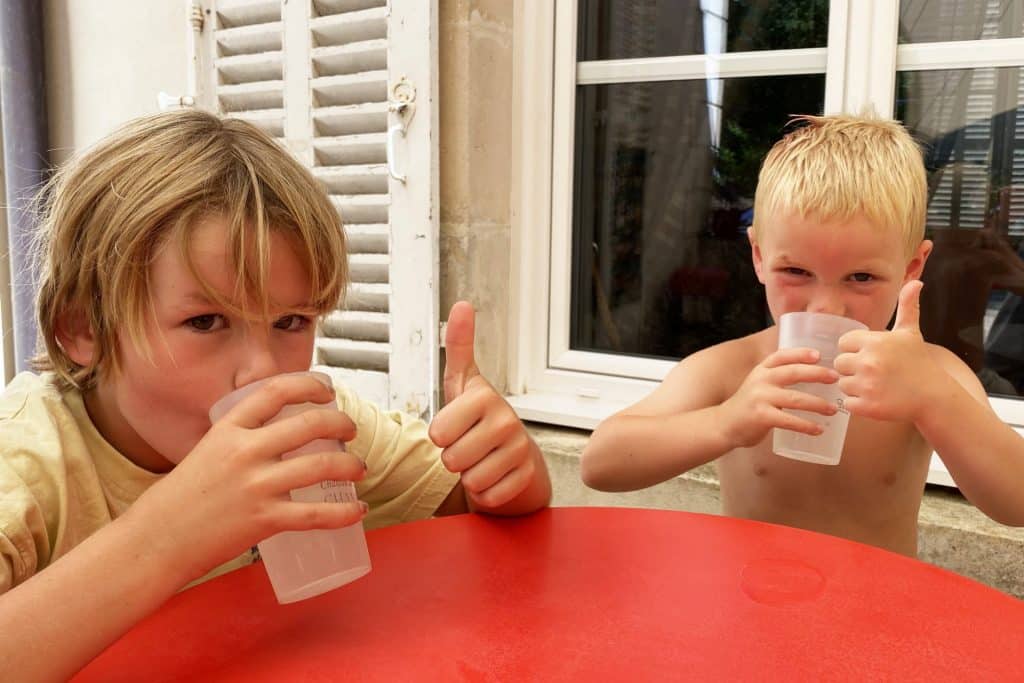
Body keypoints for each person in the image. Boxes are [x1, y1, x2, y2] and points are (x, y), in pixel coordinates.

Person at [0, 110, 551, 680]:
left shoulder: (316, 428)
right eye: (207, 322)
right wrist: (166, 538)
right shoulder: (24, 469)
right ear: (82, 330)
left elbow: (463, 505)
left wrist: (505, 471)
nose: (262, 372)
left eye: (290, 322)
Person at [581, 114, 1024, 557]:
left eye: (862, 277)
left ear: (911, 268)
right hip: (755, 609)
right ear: (758, 256)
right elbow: (601, 464)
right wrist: (726, 422)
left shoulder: (930, 374)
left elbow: (1016, 501)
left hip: (877, 613)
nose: (826, 307)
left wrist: (932, 398)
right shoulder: (731, 370)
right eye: (796, 271)